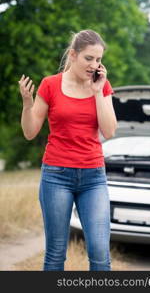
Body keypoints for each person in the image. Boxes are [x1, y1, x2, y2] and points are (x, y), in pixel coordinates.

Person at [18, 29, 117, 271]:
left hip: (93, 176)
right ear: (73, 55)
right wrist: (28, 103)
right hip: (56, 175)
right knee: (55, 254)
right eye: (88, 58)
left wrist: (97, 92)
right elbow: (30, 132)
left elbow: (109, 131)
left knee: (100, 253)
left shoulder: (101, 86)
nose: (94, 65)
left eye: (99, 60)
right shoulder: (50, 85)